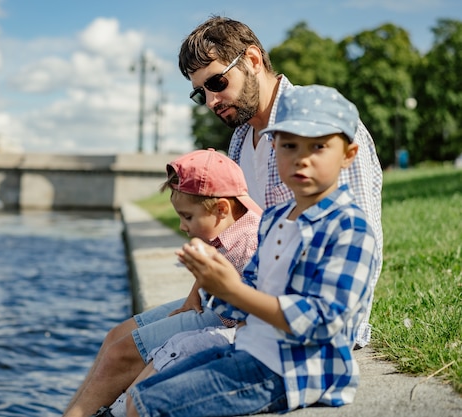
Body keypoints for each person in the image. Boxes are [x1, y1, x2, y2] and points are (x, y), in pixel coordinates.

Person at [64, 16, 383, 417]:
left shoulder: (322, 131)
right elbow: (237, 235)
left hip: (281, 326)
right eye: (201, 93)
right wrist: (199, 294)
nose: (212, 101)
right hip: (236, 303)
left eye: (216, 83)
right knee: (115, 340)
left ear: (251, 59)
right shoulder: (240, 138)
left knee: (127, 364)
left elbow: (358, 248)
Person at [125, 84, 379, 417]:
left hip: (294, 369)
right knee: (142, 391)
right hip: (253, 348)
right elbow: (251, 288)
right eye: (288, 145)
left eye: (318, 146)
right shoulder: (275, 217)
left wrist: (232, 290)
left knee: (148, 405)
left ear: (348, 155)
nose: (301, 158)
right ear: (274, 149)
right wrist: (216, 282)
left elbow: (321, 321)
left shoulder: (349, 228)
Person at [62, 149, 262, 417]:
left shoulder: (250, 242)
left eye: (187, 217)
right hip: (214, 305)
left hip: (229, 318)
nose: (181, 226)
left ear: (221, 208)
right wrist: (195, 293)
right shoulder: (230, 225)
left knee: (122, 355)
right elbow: (215, 256)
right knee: (114, 337)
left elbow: (253, 306)